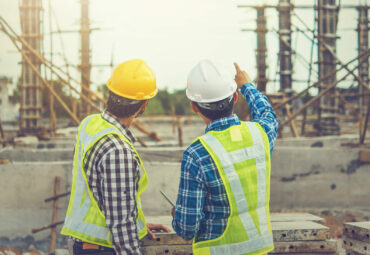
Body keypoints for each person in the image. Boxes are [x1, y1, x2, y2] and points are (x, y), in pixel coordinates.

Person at [61, 59, 170, 255]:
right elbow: (120, 225)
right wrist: (131, 234)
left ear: (110, 93)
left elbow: (105, 197)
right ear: (144, 105)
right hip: (102, 248)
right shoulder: (118, 151)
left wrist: (139, 226)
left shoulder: (90, 124)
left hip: (84, 243)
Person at [172, 60, 278, 255]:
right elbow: (268, 115)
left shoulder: (196, 154)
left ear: (194, 107)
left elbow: (186, 229)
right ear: (235, 97)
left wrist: (178, 215)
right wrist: (247, 86)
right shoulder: (260, 135)